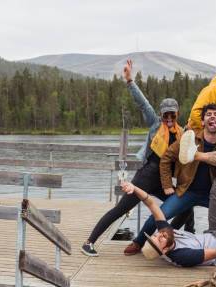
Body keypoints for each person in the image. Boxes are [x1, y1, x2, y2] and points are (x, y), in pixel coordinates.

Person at [81, 59, 193, 257]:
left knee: (185, 207)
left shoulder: (183, 132)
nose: (168, 119)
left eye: (172, 116)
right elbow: (143, 103)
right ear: (160, 114)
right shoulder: (154, 124)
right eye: (165, 115)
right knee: (121, 209)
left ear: (177, 115)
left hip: (163, 180)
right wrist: (129, 80)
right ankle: (89, 242)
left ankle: (167, 240)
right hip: (146, 175)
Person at [123, 104, 216, 256]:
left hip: (213, 196)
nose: (213, 117)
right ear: (202, 122)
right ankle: (138, 242)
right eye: (209, 114)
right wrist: (168, 184)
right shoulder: (189, 139)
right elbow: (166, 158)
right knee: (159, 215)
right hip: (187, 191)